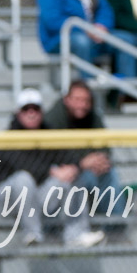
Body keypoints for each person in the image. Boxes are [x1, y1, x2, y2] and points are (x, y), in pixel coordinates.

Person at [0, 88, 106, 248]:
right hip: (9, 200)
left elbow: (69, 157)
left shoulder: (48, 132)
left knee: (72, 176)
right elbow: (23, 165)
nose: (31, 113)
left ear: (41, 111)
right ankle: (32, 234)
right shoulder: (8, 137)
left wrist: (74, 167)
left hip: (36, 198)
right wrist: (52, 171)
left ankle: (76, 234)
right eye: (26, 109)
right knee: (23, 179)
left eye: (35, 109)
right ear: (18, 112)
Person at [44, 80, 129, 227]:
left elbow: (104, 147)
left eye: (86, 101)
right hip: (62, 173)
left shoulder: (93, 116)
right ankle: (72, 231)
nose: (82, 105)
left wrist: (100, 160)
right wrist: (82, 162)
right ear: (67, 100)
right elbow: (53, 154)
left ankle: (116, 230)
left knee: (110, 175)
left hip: (88, 170)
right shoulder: (53, 118)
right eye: (77, 100)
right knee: (82, 179)